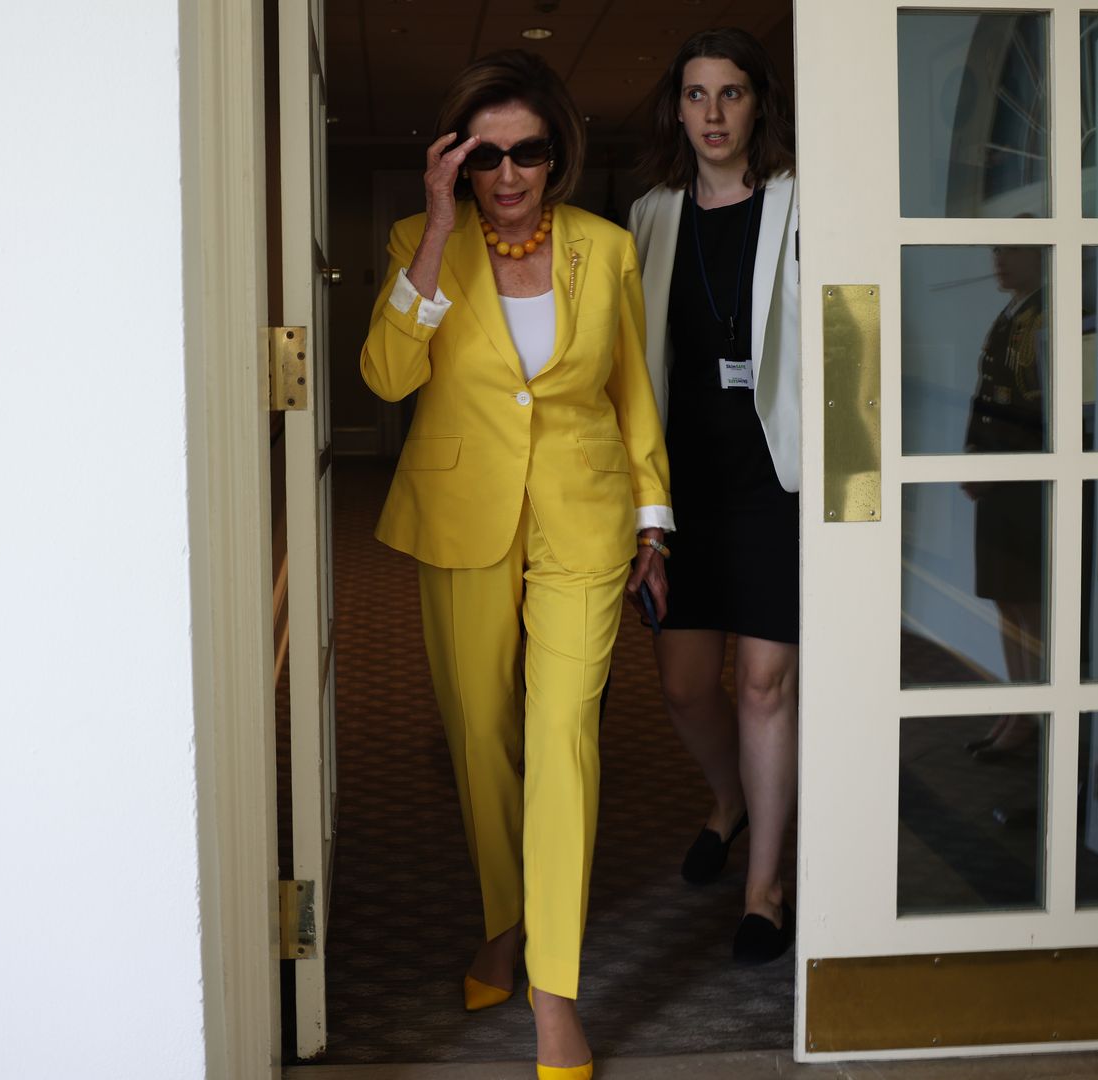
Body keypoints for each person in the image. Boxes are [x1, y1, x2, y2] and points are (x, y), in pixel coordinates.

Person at [360, 50, 671, 1080]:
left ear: (556, 154)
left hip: (584, 522)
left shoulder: (605, 248)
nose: (507, 173)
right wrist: (440, 230)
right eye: (484, 154)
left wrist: (654, 521)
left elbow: (632, 391)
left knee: (564, 741)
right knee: (481, 739)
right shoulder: (422, 242)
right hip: (460, 517)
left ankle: (553, 993)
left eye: (526, 152)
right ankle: (503, 920)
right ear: (455, 158)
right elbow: (386, 374)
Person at [626, 27, 802, 965]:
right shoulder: (650, 214)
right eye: (697, 95)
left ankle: (765, 887)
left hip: (774, 479)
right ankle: (728, 802)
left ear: (757, 104)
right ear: (677, 110)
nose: (714, 114)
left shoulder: (799, 202)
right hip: (683, 484)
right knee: (688, 684)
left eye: (731, 93)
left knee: (766, 687)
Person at [963, 243, 1048, 759]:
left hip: (1022, 482)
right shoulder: (1008, 316)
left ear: (1037, 257)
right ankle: (1016, 708)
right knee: (1006, 600)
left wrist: (993, 466)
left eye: (1009, 251)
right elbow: (984, 395)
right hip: (994, 477)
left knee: (1028, 602)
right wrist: (972, 456)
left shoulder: (1047, 315)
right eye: (994, 250)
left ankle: (1033, 713)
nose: (997, 259)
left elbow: (1042, 410)